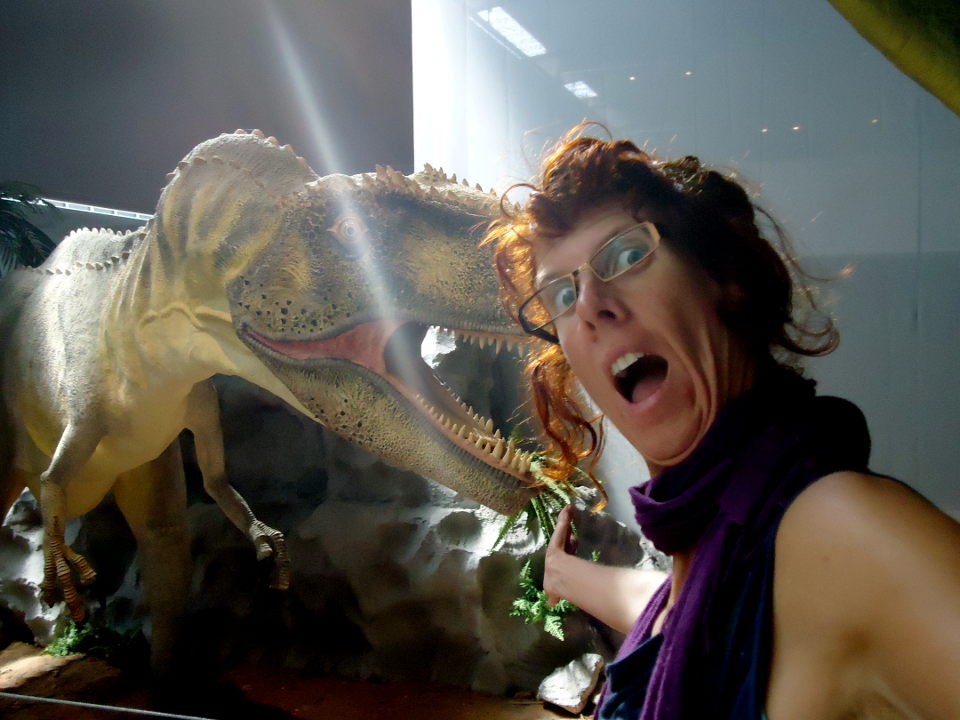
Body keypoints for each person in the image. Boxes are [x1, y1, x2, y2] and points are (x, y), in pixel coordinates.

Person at [483, 125, 960, 719]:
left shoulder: (845, 531)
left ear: (727, 280)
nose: (588, 304)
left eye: (627, 255)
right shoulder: (706, 561)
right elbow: (669, 614)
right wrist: (563, 574)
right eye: (560, 294)